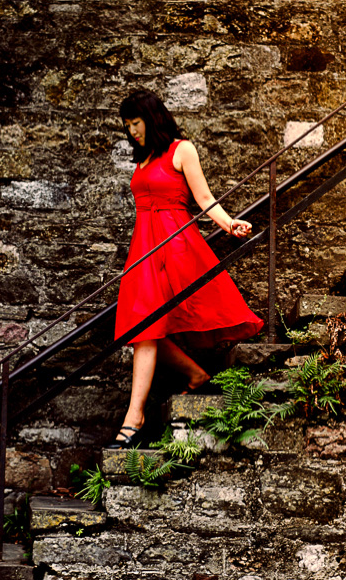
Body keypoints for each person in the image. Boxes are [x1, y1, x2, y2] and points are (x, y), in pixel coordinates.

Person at [109, 89, 264, 449]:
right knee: (142, 326)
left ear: (152, 117)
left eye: (136, 122)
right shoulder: (143, 160)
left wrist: (229, 225)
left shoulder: (182, 150)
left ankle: (134, 418)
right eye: (127, 125)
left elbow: (205, 198)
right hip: (143, 249)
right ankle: (195, 374)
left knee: (145, 326)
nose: (132, 130)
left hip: (174, 246)